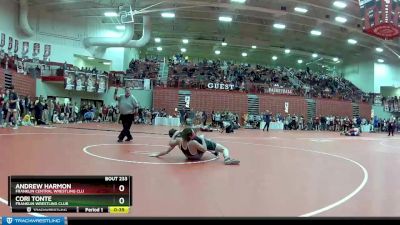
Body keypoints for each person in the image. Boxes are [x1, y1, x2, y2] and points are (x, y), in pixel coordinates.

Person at [150, 128, 240, 165]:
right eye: (193, 133)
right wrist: (203, 138)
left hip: (189, 156)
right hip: (197, 155)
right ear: (190, 136)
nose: (194, 133)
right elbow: (204, 149)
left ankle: (213, 151)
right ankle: (227, 158)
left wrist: (157, 154)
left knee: (205, 146)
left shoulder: (179, 141)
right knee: (223, 148)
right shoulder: (193, 142)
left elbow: (168, 148)